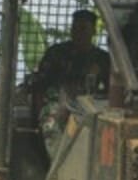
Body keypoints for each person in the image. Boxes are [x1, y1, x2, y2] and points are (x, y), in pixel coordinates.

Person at [30, 8, 112, 157]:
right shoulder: (56, 53)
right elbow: (39, 86)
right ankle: (58, 166)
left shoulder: (102, 59)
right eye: (74, 28)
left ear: (94, 31)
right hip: (57, 106)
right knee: (54, 126)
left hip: (90, 108)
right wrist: (37, 114)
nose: (77, 33)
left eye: (83, 28)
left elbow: (110, 91)